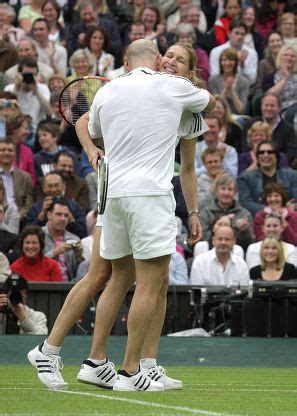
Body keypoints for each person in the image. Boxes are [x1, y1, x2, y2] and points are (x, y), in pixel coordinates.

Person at [27, 40, 215, 392]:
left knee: (143, 278)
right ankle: (107, 364)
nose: (172, 61)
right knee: (110, 275)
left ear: (189, 70)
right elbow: (84, 122)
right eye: (168, 56)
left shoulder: (179, 101)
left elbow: (188, 169)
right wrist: (93, 152)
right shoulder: (142, 86)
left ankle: (138, 364)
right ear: (158, 60)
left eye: (180, 59)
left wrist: (192, 213)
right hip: (126, 192)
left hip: (124, 194)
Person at [238, 141, 297, 216]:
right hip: (258, 220)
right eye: (261, 152)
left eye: (270, 152)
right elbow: (245, 203)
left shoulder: (293, 175)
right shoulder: (245, 178)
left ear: (277, 155)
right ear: (257, 157)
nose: (265, 155)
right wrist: (271, 210)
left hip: (288, 218)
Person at [200, 174, 254, 251]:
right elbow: (201, 239)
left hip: (236, 252)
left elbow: (250, 244)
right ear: (217, 191)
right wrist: (214, 231)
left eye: (230, 189)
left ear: (235, 192)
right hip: (210, 252)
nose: (226, 193)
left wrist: (244, 232)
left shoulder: (244, 214)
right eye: (223, 189)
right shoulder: (206, 213)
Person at [25, 171, 87, 239]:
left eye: (56, 185)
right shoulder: (35, 208)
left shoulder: (75, 207)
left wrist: (69, 217)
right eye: (50, 186)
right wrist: (42, 215)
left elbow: (83, 233)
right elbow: (26, 233)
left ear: (64, 186)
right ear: (43, 188)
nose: (53, 189)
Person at [247, 94, 297, 166]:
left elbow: (292, 151)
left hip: (280, 166)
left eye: (272, 106)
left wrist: (275, 163)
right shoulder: (250, 124)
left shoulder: (288, 127)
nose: (269, 108)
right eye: (266, 105)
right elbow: (245, 147)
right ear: (261, 107)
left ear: (279, 108)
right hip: (252, 164)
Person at [42, 198, 84, 282]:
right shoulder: (38, 235)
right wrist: (55, 252)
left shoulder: (74, 239)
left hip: (69, 287)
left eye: (66, 215)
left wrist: (79, 257)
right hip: (44, 284)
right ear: (49, 215)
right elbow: (34, 264)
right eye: (59, 214)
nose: (63, 218)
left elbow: (79, 273)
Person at [4, 57, 51, 131]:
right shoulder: (9, 88)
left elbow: (49, 112)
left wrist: (36, 91)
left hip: (37, 129)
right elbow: (7, 110)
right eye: (26, 74)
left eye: (33, 74)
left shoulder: (43, 88)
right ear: (19, 74)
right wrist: (16, 87)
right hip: (16, 129)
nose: (30, 77)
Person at [210, 20, 258, 85]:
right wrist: (236, 61)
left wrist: (242, 64)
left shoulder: (252, 53)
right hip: (220, 90)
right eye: (237, 33)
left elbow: (252, 80)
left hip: (244, 91)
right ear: (229, 34)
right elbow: (214, 78)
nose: (240, 37)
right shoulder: (216, 52)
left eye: (242, 34)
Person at [208, 47, 250, 114]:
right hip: (218, 115)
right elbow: (214, 107)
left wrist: (232, 92)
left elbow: (242, 110)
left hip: (237, 117)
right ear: (220, 62)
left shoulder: (244, 82)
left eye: (231, 60)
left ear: (236, 63)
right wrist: (226, 89)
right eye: (224, 60)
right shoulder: (213, 80)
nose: (227, 63)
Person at [0, 138, 33, 220]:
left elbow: (29, 202)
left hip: (19, 219)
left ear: (15, 154)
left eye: (10, 150)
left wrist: (19, 215)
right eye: (3, 150)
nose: (6, 153)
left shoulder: (25, 177)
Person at [262, 45, 297, 112]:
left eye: (292, 56)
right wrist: (286, 77)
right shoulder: (270, 77)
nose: (289, 58)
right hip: (280, 110)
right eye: (285, 55)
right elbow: (268, 96)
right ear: (280, 57)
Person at [5, 112, 36, 185]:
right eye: (26, 128)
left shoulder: (27, 151)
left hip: (22, 193)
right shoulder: (1, 147)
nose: (28, 132)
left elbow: (32, 178)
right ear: (15, 129)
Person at [255, 31, 283, 95]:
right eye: (272, 41)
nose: (275, 43)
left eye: (278, 40)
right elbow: (259, 85)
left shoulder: (289, 60)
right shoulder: (263, 63)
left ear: (282, 42)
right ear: (267, 45)